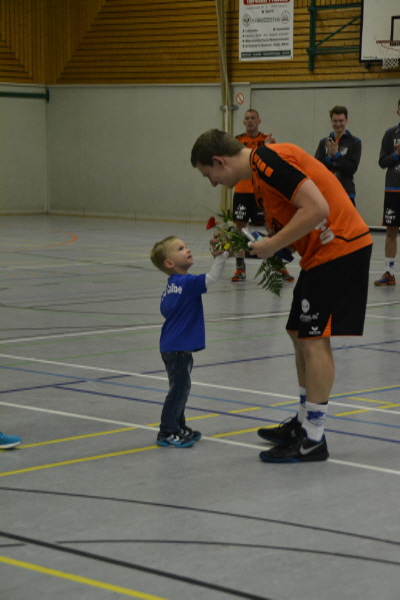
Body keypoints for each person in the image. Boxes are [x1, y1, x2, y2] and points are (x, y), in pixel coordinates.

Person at [191, 129, 372, 463]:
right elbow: (289, 232)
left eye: (209, 175)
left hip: (340, 248)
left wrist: (271, 245)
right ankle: (304, 422)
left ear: (219, 161)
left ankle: (314, 439)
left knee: (315, 340)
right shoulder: (260, 178)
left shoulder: (267, 160)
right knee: (297, 331)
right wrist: (238, 247)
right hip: (319, 255)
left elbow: (317, 208)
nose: (213, 183)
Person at [150, 235, 229, 448]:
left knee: (180, 387)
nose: (187, 250)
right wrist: (221, 257)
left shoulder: (171, 286)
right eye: (180, 249)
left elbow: (165, 310)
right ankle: (167, 431)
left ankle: (178, 425)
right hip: (177, 348)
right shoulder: (186, 283)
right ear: (169, 263)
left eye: (186, 246)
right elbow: (212, 278)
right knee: (179, 389)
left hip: (173, 347)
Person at [231, 108, 294, 283]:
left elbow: (274, 163)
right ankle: (240, 269)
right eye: (247, 118)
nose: (250, 121)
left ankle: (278, 265)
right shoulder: (236, 142)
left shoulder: (266, 140)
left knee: (272, 228)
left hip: (261, 192)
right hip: (242, 193)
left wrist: (271, 148)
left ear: (259, 121)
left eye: (253, 118)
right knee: (240, 230)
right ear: (243, 122)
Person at [374, 98, 400, 286]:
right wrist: (397, 155)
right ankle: (389, 272)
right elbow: (382, 161)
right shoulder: (391, 134)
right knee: (391, 230)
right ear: (398, 111)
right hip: (393, 189)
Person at [315, 105, 361, 206]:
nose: (338, 124)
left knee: (347, 222)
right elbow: (316, 169)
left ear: (346, 120)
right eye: (335, 121)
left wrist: (336, 155)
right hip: (326, 193)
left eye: (341, 121)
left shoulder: (355, 142)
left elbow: (351, 169)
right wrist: (329, 158)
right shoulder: (324, 142)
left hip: (346, 193)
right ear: (331, 121)